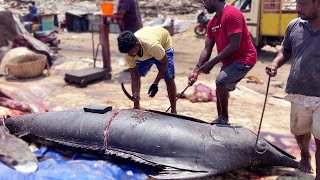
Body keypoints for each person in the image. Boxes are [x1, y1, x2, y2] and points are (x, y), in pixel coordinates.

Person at [265, 0, 320, 178]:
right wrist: (275, 63)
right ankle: (305, 155)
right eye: (297, 3)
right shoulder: (294, 25)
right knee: (299, 130)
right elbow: (286, 50)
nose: (297, 8)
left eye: (302, 4)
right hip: (298, 89)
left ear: (318, 3)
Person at [188, 0, 257, 124]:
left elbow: (234, 45)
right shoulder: (212, 23)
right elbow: (207, 48)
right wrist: (196, 71)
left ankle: (223, 118)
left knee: (221, 81)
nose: (203, 4)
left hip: (244, 58)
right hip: (228, 62)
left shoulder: (232, 14)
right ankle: (220, 119)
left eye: (204, 0)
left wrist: (211, 63)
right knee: (221, 87)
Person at [117, 26, 177, 114]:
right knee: (137, 74)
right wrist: (135, 94)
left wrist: (155, 83)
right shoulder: (129, 53)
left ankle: (173, 110)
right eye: (128, 53)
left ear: (137, 44)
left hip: (163, 46)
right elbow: (134, 76)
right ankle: (136, 107)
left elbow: (165, 63)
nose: (130, 54)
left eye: (131, 52)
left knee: (168, 77)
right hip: (146, 45)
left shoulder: (153, 46)